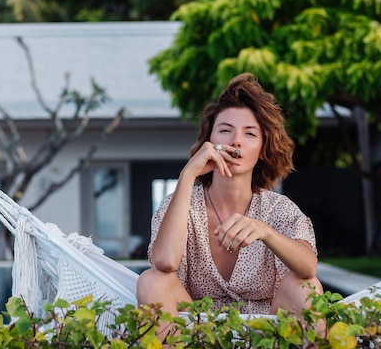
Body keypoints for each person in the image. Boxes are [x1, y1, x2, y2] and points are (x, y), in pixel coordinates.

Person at [136, 72, 323, 322]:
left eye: (250, 134)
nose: (236, 141)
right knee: (152, 280)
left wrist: (264, 231)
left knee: (305, 286)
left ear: (263, 149)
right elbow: (165, 262)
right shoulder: (180, 205)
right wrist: (187, 174)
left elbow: (309, 268)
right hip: (195, 334)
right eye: (225, 130)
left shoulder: (278, 209)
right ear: (209, 141)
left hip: (265, 335)